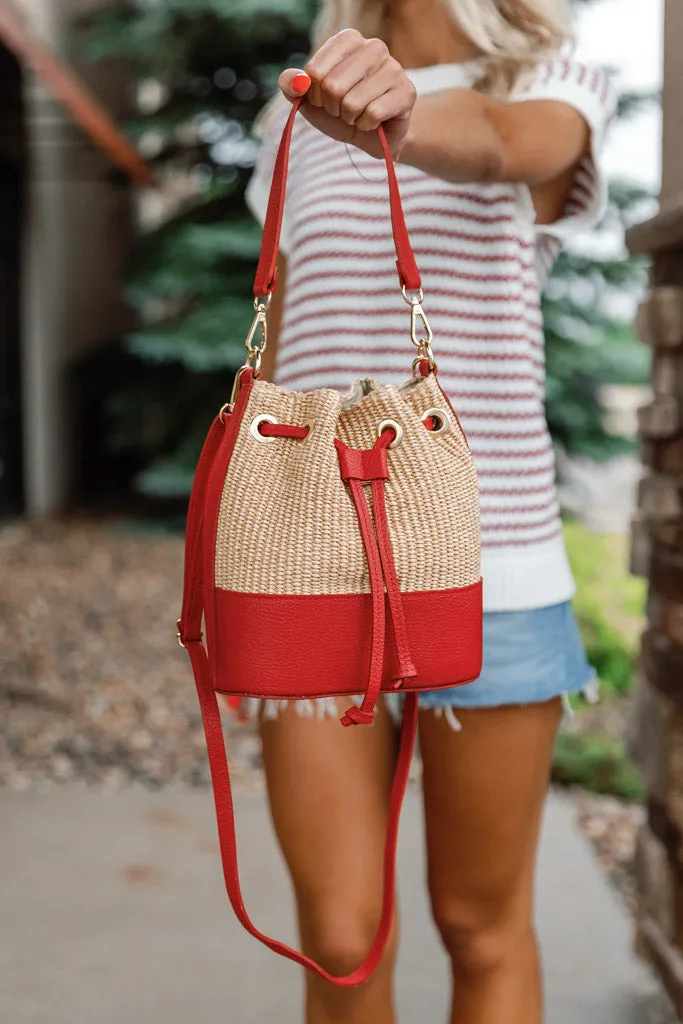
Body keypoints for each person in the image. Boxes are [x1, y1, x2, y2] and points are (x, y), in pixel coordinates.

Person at [243, 2, 616, 1022]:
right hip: (307, 566)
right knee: (338, 936)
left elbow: (500, 149)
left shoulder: (549, 82)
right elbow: (277, 337)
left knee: (478, 923)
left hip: (488, 561)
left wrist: (399, 119)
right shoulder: (293, 114)